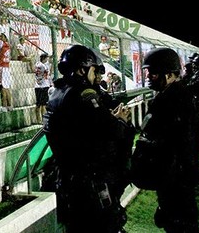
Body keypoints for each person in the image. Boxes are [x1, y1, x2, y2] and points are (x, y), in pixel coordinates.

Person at [43, 44, 133, 232]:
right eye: (93, 70)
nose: (96, 76)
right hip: (89, 181)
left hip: (68, 178)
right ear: (82, 69)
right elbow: (110, 130)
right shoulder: (83, 94)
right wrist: (121, 121)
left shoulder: (57, 92)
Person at [138, 47, 199, 232]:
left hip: (176, 178)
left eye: (153, 73)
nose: (149, 77)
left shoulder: (173, 100)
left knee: (181, 224)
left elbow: (180, 142)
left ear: (168, 74)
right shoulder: (177, 95)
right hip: (176, 176)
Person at [34, 53, 51, 124]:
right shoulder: (43, 66)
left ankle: (39, 120)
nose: (47, 59)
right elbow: (47, 74)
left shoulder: (37, 64)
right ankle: (42, 120)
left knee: (40, 104)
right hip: (42, 86)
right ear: (44, 58)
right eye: (47, 58)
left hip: (39, 86)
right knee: (42, 104)